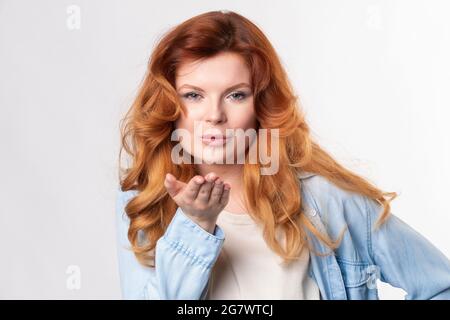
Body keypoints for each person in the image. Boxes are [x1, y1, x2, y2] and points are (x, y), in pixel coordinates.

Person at [115, 10, 450, 300]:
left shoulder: (327, 199)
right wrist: (196, 226)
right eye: (193, 95)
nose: (214, 115)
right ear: (169, 105)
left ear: (261, 105)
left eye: (235, 95)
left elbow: (440, 285)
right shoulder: (143, 203)